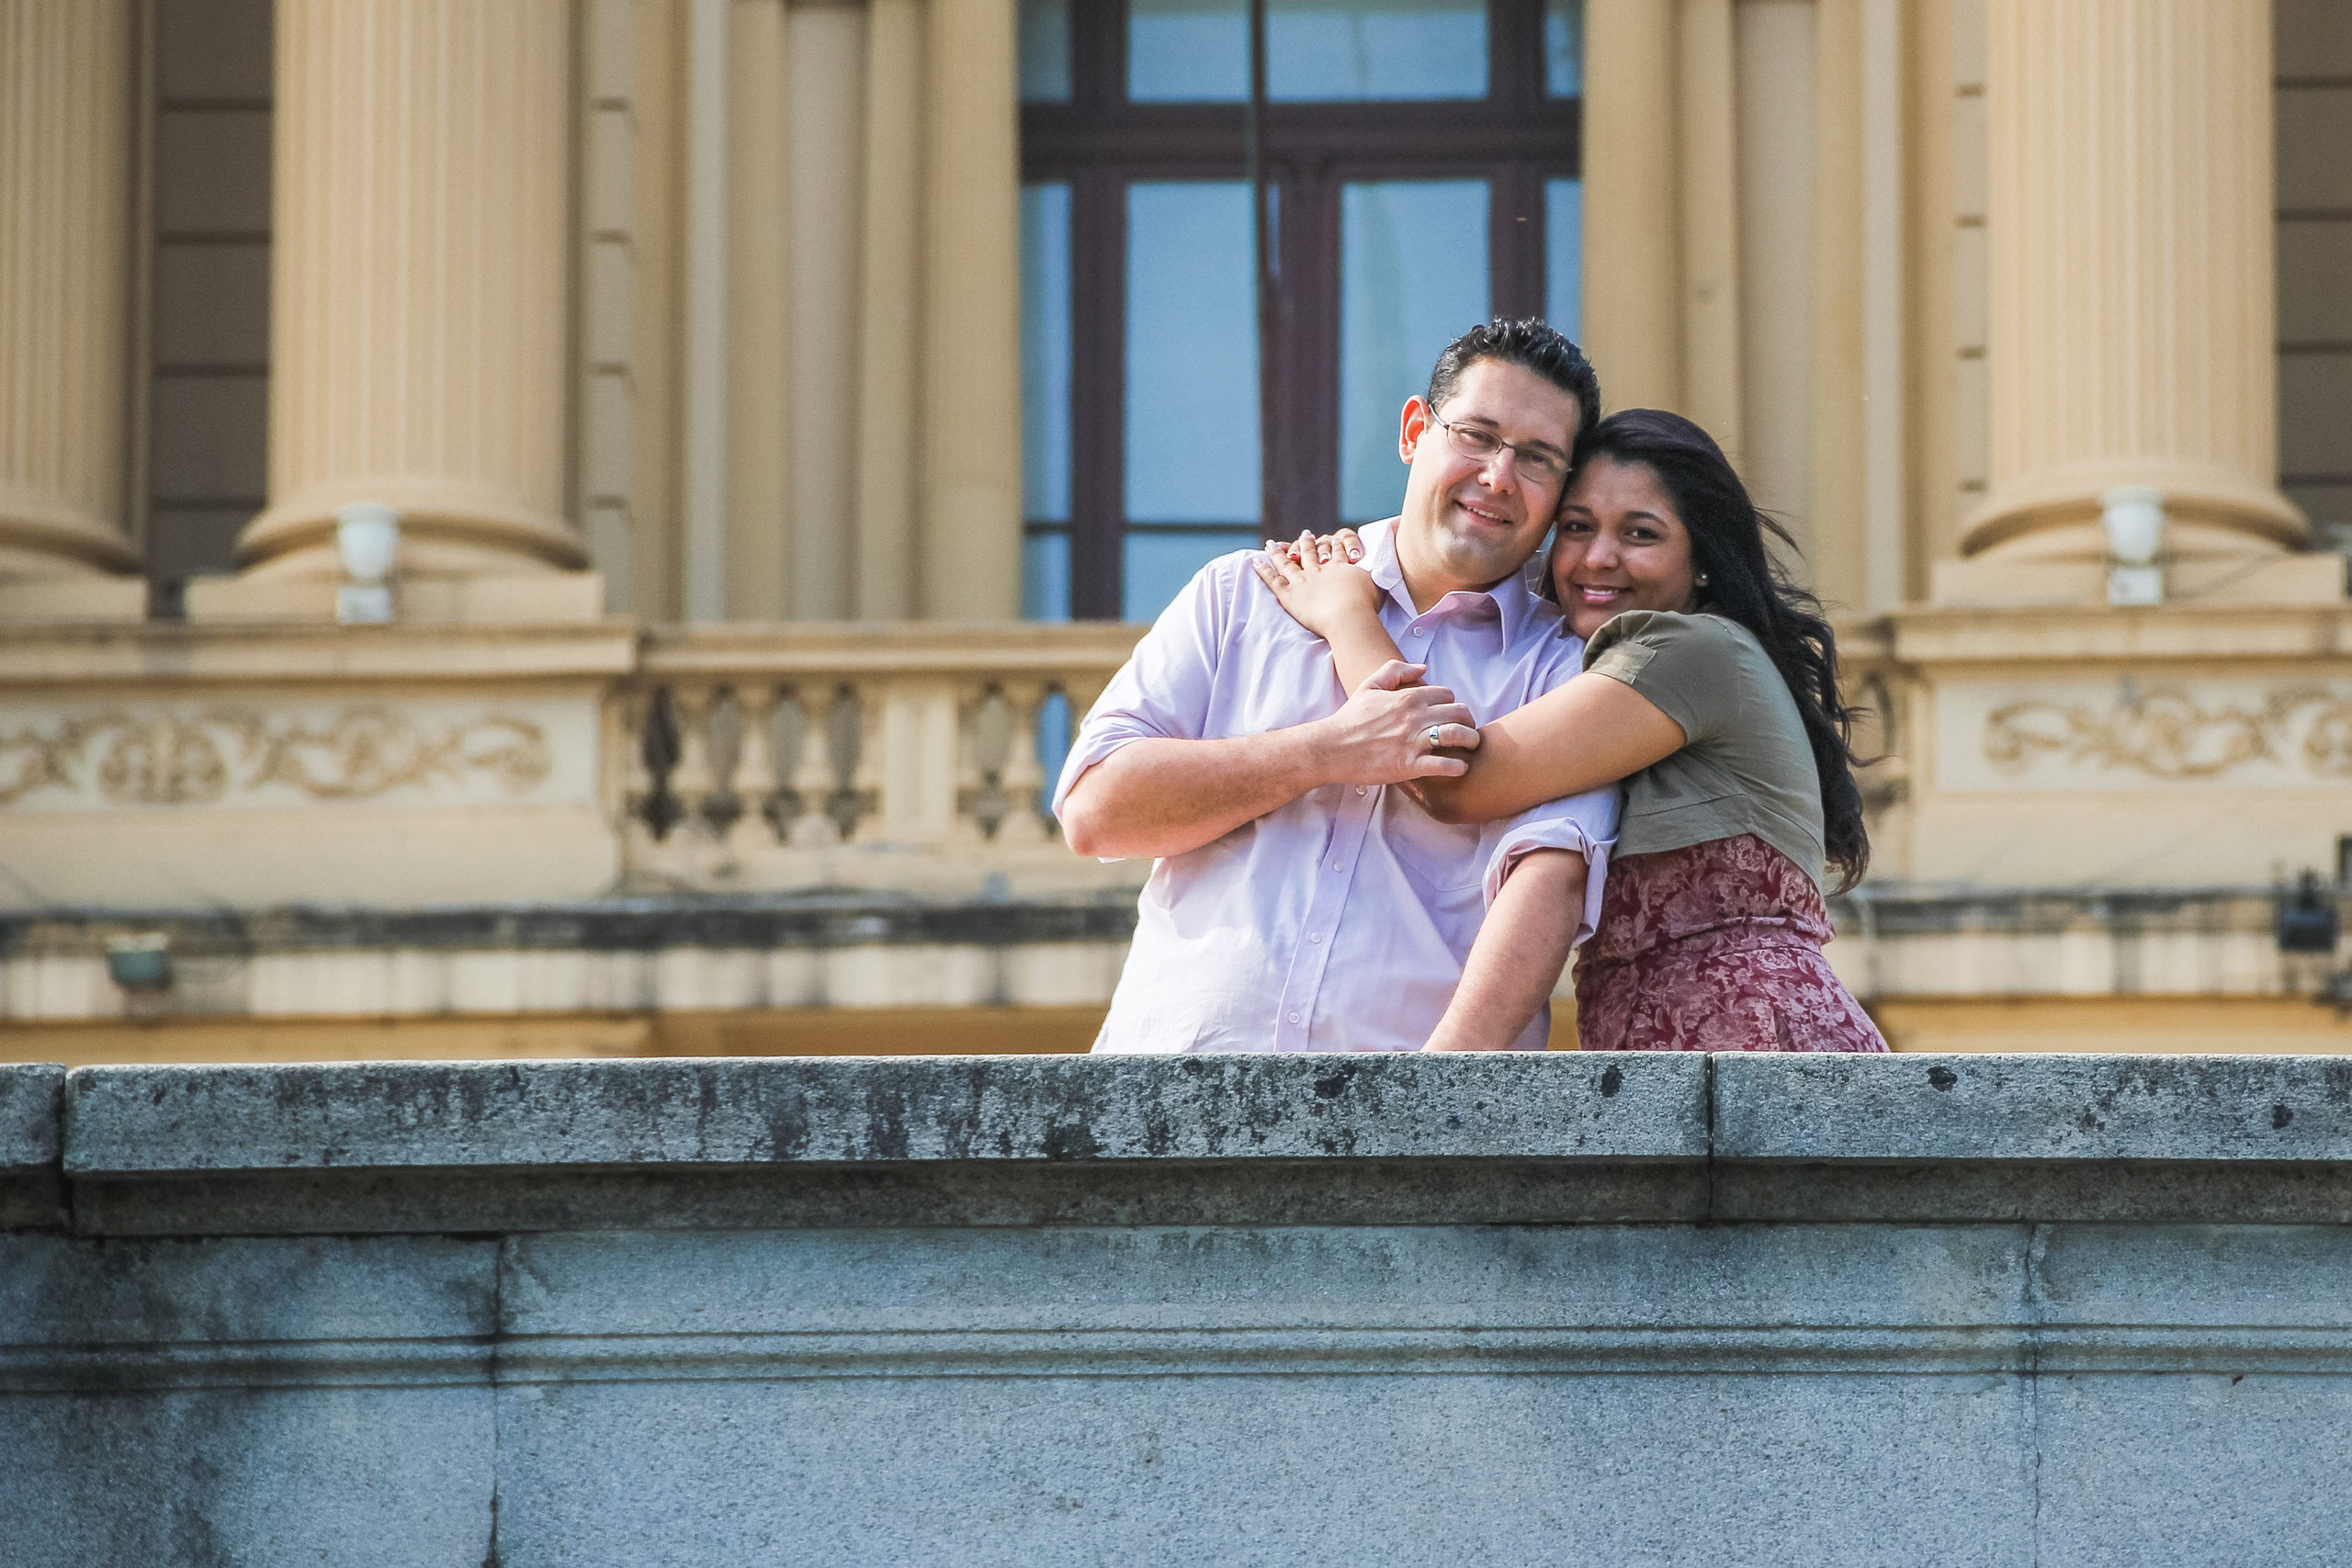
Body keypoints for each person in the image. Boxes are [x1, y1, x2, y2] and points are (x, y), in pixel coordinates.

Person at [1053, 321, 1621, 1053]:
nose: (1499, 476)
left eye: (1538, 458)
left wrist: (1434, 1108)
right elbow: (1095, 810)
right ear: (1416, 429)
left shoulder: (1569, 670)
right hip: (1165, 1092)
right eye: (1476, 435)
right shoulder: (1243, 594)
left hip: (1407, 1123)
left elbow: (1550, 888)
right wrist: (1323, 751)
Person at [1252, 408, 1887, 1053]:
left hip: (1760, 1053)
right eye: (1577, 528)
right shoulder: (1634, 672)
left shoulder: (1688, 651)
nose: (1598, 558)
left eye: (1640, 533)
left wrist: (1346, 615)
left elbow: (1456, 780)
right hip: (1682, 1063)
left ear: (1702, 561)